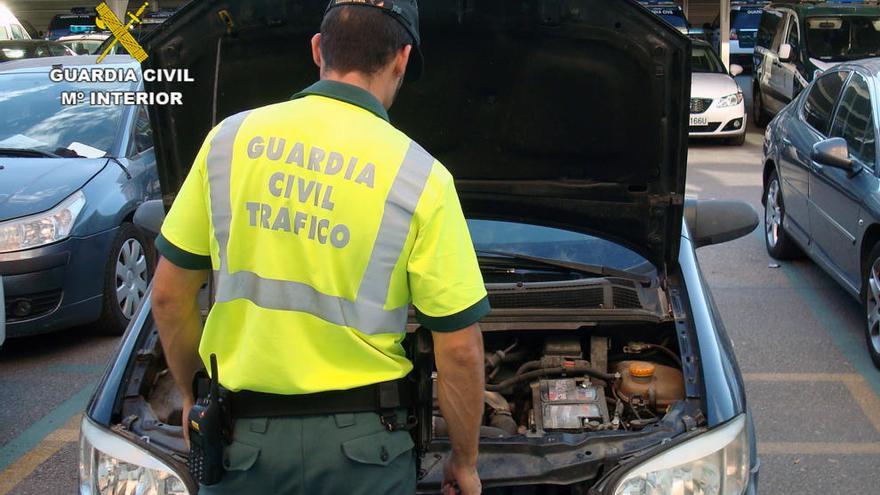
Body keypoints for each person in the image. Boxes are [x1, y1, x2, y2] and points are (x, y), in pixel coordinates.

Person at [150, 1, 489, 494]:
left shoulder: (228, 141)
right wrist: (465, 460)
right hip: (366, 454)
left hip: (242, 446)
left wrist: (192, 395)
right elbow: (458, 348)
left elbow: (167, 296)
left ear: (316, 49)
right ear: (401, 59)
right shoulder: (421, 177)